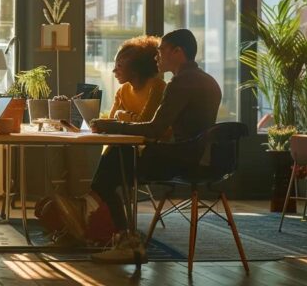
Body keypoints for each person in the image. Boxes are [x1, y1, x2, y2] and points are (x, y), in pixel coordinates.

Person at [89, 29, 222, 263]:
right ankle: (124, 237)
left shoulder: (180, 83)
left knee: (110, 170)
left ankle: (125, 241)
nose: (156, 57)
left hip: (183, 160)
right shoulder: (207, 80)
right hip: (204, 158)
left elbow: (153, 129)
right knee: (116, 162)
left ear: (177, 52)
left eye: (160, 51)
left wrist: (113, 126)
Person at [108, 36, 166, 123]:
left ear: (135, 69)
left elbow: (145, 123)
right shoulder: (122, 91)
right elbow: (110, 123)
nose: (114, 70)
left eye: (119, 66)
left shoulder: (157, 86)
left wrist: (119, 114)